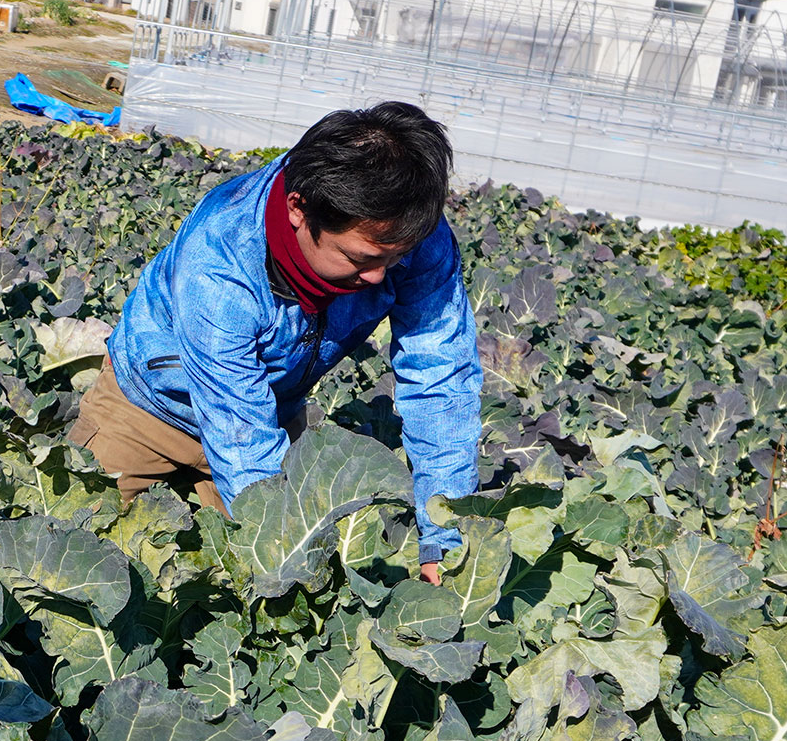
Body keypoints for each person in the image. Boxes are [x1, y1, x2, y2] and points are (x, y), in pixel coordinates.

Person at [70, 103, 482, 586]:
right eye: (360, 258)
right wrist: (278, 545)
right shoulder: (221, 259)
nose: (377, 276)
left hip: (269, 412)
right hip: (147, 410)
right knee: (80, 551)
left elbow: (442, 378)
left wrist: (443, 537)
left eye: (396, 258)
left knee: (261, 590)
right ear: (298, 209)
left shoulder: (410, 238)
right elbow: (237, 433)